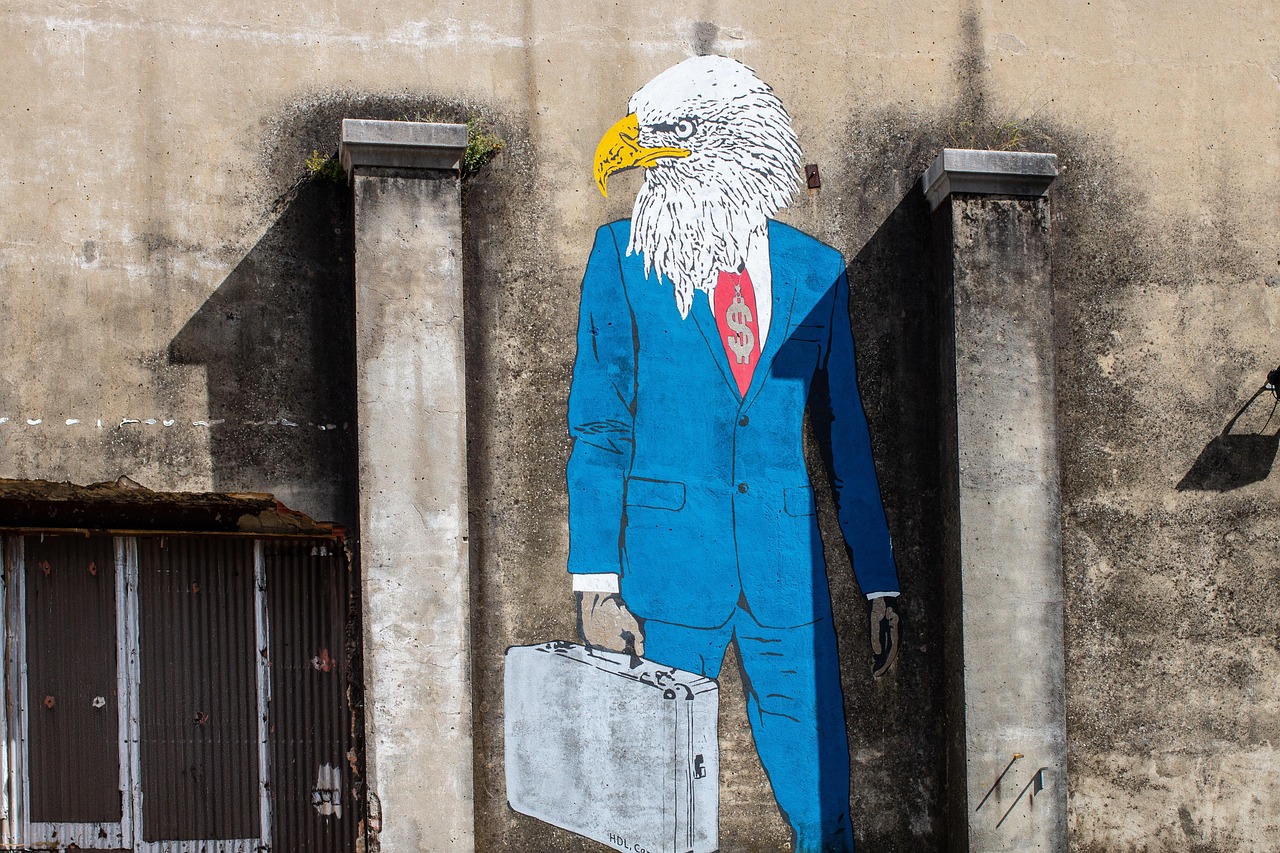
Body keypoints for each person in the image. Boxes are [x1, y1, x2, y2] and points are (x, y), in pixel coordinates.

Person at [566, 55, 901, 853]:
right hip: (666, 570)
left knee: (822, 796)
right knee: (655, 803)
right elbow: (600, 427)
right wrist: (594, 585)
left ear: (730, 145)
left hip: (787, 568)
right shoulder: (621, 257)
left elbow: (844, 436)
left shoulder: (818, 272)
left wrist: (877, 579)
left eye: (668, 135)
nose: (630, 149)